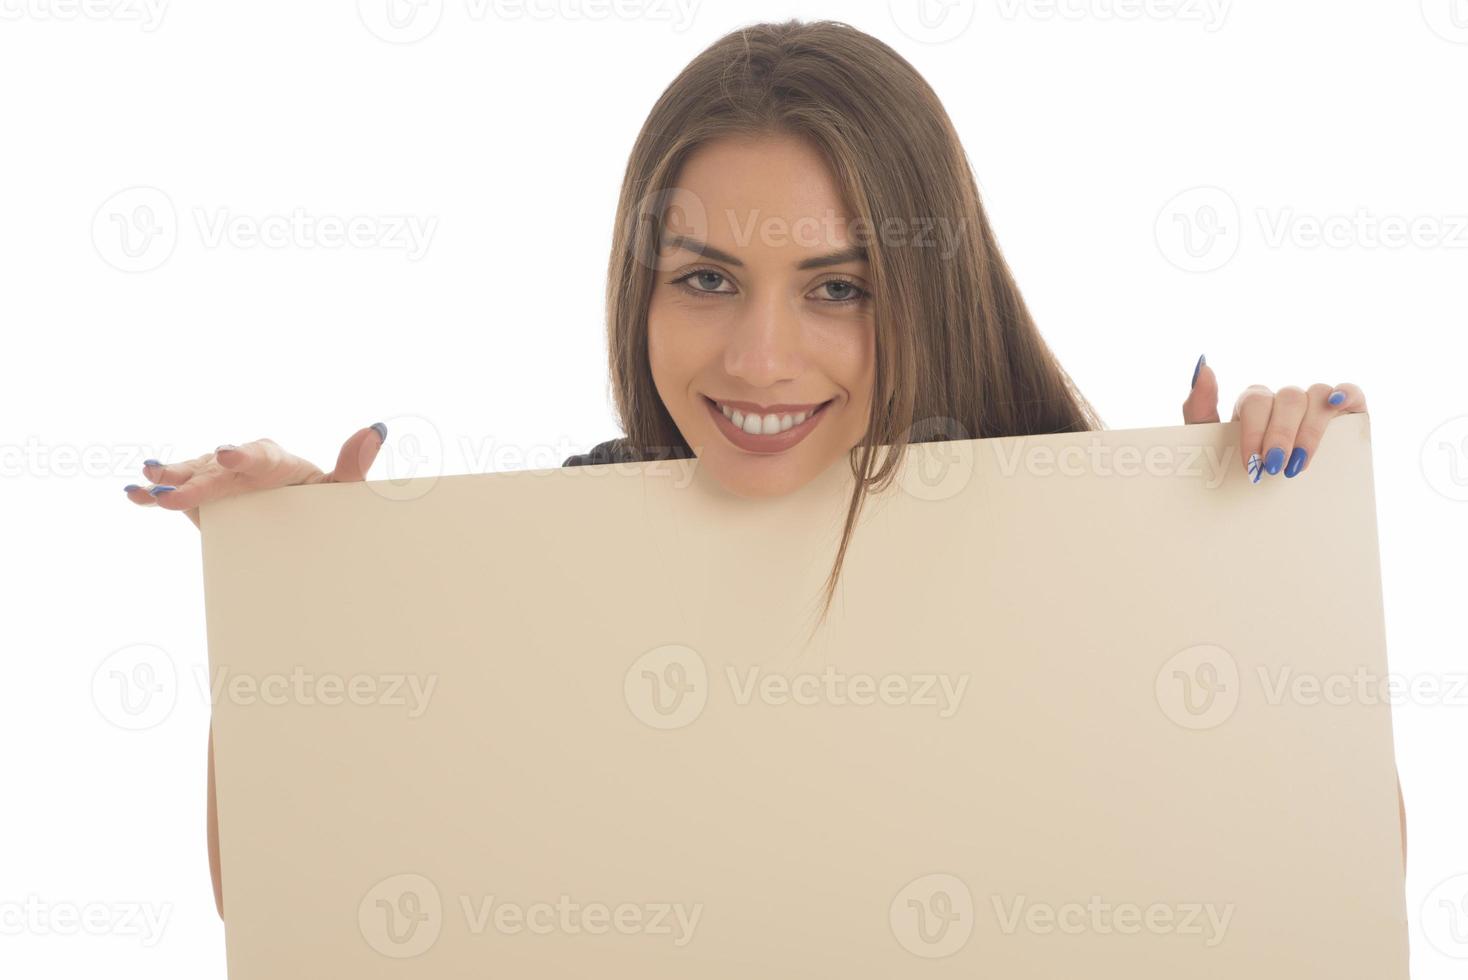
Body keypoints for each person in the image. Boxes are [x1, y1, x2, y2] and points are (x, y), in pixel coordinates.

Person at [119, 19, 1400, 920]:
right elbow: (299, 910)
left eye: (837, 287)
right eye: (706, 280)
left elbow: (1331, 890)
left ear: (928, 290)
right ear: (643, 292)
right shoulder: (558, 545)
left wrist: (1249, 566)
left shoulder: (1075, 530)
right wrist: (301, 608)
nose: (759, 355)